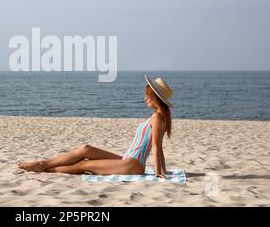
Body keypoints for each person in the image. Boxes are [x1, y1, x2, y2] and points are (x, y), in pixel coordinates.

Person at [17, 75, 173, 178]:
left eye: (147, 95)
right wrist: (163, 170)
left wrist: (159, 172)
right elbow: (158, 147)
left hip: (133, 165)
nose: (145, 98)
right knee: (86, 149)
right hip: (128, 159)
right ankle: (44, 163)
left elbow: (156, 147)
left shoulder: (158, 117)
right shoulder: (156, 117)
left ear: (155, 97)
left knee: (84, 164)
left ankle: (45, 168)